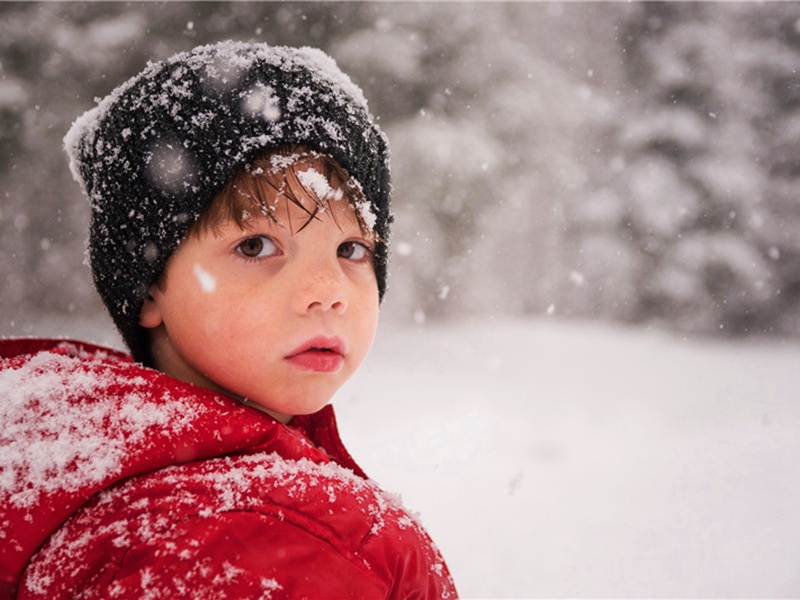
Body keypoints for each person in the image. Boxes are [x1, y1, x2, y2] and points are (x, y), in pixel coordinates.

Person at [0, 41, 457, 599]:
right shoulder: (261, 539)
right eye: (257, 245)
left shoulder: (80, 461)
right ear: (149, 287)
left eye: (352, 250)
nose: (328, 292)